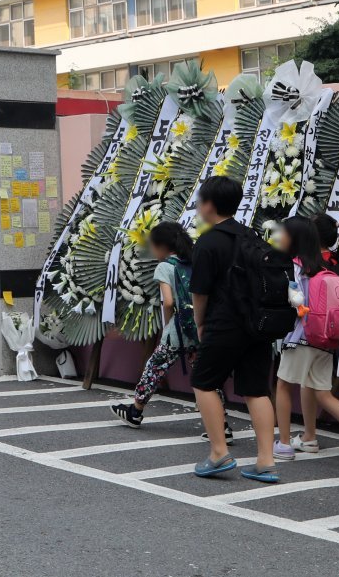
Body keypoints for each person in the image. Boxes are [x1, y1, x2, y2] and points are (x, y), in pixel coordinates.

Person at [188, 176, 279, 483]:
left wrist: (200, 323)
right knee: (256, 389)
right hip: (257, 324)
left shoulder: (208, 241)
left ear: (210, 205)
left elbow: (199, 292)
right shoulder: (253, 236)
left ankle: (219, 453)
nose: (198, 206)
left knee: (203, 381)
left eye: (200, 200)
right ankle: (266, 460)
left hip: (224, 323)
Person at [111, 221, 229, 436]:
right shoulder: (195, 263)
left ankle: (135, 412)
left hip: (177, 331)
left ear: (162, 247)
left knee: (154, 369)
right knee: (206, 377)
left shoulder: (165, 266)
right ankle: (222, 426)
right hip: (201, 329)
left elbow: (167, 302)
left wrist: (168, 324)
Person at [273, 216, 339, 467]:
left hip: (301, 336)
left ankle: (282, 443)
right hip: (325, 338)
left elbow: (294, 298)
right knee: (323, 393)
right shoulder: (324, 266)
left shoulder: (296, 263)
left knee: (282, 385)